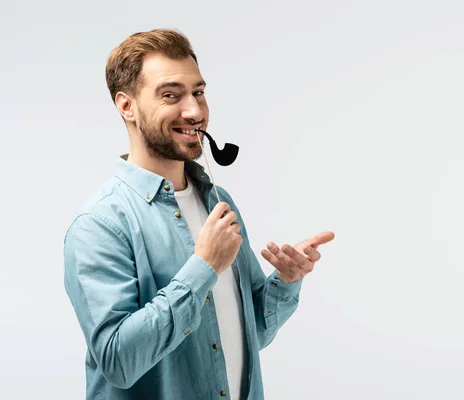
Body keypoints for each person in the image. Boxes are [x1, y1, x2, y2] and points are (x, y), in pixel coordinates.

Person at [63, 28, 335, 400]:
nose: (194, 111)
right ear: (127, 106)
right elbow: (118, 363)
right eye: (171, 95)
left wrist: (285, 281)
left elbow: (249, 335)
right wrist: (203, 267)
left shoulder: (217, 201)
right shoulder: (100, 224)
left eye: (199, 93)